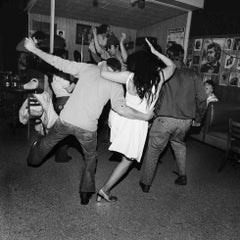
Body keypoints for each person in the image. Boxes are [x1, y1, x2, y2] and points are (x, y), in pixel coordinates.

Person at [24, 37, 154, 205]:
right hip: (87, 129)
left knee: (47, 143)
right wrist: (144, 116)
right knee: (90, 158)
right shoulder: (115, 85)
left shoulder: (88, 68)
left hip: (66, 120)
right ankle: (85, 194)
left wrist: (34, 49)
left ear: (105, 65)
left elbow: (59, 62)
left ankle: (32, 159)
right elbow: (121, 109)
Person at [96, 38, 175, 202]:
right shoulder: (159, 77)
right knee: (128, 160)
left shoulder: (129, 76)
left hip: (123, 120)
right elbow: (172, 66)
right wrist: (156, 53)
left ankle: (105, 189)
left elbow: (103, 73)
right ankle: (104, 190)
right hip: (138, 124)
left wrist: (103, 62)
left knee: (127, 160)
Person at [139, 43, 207, 193]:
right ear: (182, 56)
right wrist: (199, 118)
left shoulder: (163, 72)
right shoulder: (194, 73)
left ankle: (146, 183)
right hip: (185, 121)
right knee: (179, 143)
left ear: (167, 56)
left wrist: (151, 117)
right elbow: (202, 98)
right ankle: (182, 176)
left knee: (154, 149)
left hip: (164, 119)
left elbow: (154, 97)